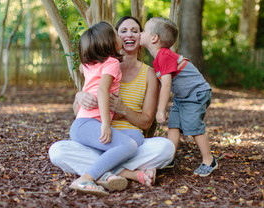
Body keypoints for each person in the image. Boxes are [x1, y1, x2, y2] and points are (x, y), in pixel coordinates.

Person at [49, 16, 175, 194]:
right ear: (113, 38)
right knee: (57, 150)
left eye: (135, 30)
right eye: (123, 31)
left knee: (166, 147)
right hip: (98, 138)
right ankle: (129, 173)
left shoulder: (149, 74)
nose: (129, 34)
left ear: (142, 37)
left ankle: (103, 171)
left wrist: (122, 109)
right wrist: (80, 96)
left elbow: (147, 122)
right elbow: (80, 112)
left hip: (128, 142)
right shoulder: (100, 65)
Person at [69, 21, 145, 196]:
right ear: (109, 43)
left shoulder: (90, 64)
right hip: (89, 124)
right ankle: (86, 178)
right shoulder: (111, 62)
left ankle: (106, 169)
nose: (121, 37)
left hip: (83, 126)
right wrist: (105, 124)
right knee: (130, 145)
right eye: (117, 34)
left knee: (137, 137)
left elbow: (82, 67)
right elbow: (103, 90)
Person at [140, 17, 218, 177]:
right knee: (174, 126)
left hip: (195, 93)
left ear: (154, 38)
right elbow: (162, 84)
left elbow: (167, 85)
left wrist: (160, 110)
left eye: (143, 30)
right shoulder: (158, 59)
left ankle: (209, 160)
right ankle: (169, 157)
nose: (140, 33)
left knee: (193, 126)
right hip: (182, 97)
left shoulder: (164, 55)